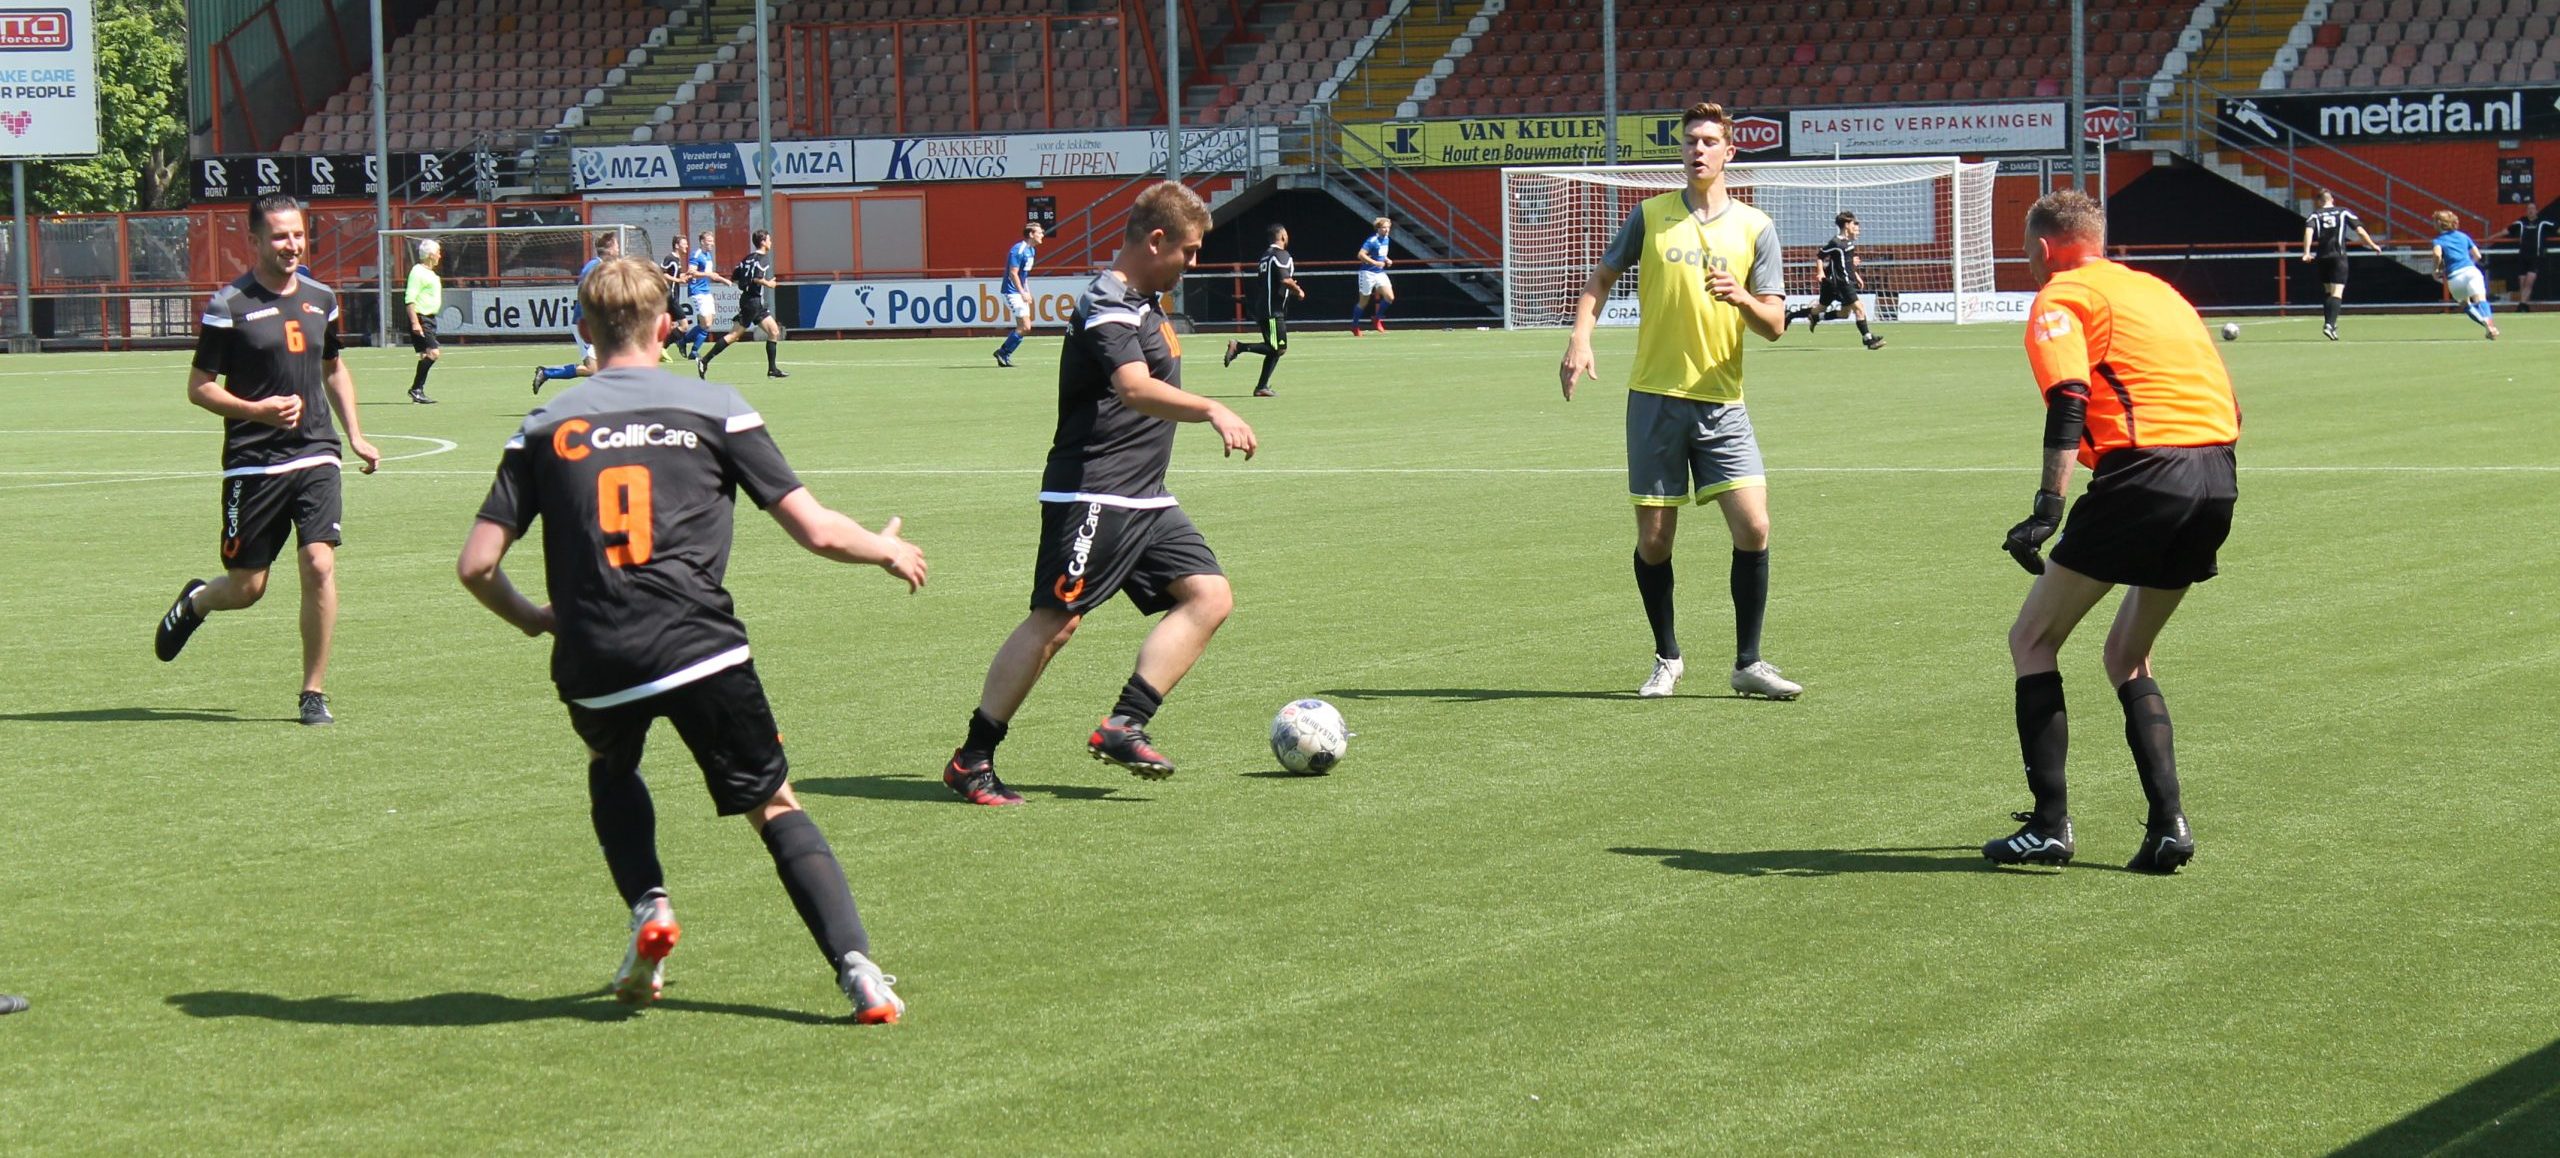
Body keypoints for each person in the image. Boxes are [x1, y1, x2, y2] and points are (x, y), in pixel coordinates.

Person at [456, 256, 925, 1022]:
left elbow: (477, 566)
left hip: (596, 652)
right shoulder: (716, 407)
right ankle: (860, 971)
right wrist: (883, 548)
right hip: (699, 643)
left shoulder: (544, 427)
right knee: (773, 803)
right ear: (668, 330)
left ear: (581, 331)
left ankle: (649, 907)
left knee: (612, 764)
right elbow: (812, 529)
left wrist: (535, 618)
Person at [940, 182, 1257, 806]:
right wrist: (1213, 408)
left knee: (1209, 595)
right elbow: (1135, 388)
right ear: (1156, 240)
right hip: (1095, 493)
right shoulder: (1107, 303)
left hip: (1145, 498)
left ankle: (1124, 723)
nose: (1193, 264)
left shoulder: (1145, 301)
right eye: (1189, 252)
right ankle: (972, 759)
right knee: (1056, 623)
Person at [1986, 189, 2240, 873]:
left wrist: (2048, 504)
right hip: (2217, 474)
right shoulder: (2156, 292)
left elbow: (2069, 395)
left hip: (2145, 474)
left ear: (2044, 248)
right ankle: (2168, 826)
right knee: (2128, 656)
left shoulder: (2062, 295)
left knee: (2032, 639)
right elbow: (2225, 395)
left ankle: (2048, 826)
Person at [1557, 101, 1802, 703]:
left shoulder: (1755, 227)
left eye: (1710, 141)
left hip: (1723, 402)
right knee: (1655, 541)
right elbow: (1600, 280)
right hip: (1655, 400)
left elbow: (1776, 323)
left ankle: (1749, 662)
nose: (1698, 150)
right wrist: (1580, 338)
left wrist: (1743, 298)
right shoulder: (1649, 217)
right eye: (1691, 140)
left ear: (1729, 153)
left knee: (1755, 525)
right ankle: (1667, 658)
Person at [153, 194, 383, 727]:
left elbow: (334, 368)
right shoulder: (228, 304)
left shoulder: (322, 297)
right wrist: (255, 409)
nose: (292, 244)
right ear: (254, 241)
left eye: (298, 234)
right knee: (247, 588)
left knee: (319, 562)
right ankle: (197, 602)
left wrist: (355, 435)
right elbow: (199, 388)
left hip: (315, 452)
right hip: (253, 462)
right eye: (280, 236)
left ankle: (313, 691)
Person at [532, 231, 623, 392]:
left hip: (597, 324)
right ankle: (547, 373)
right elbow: (585, 291)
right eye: (616, 245)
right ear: (609, 249)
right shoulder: (593, 267)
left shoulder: (603, 267)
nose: (619, 249)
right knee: (594, 369)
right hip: (586, 324)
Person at [1224, 222, 1303, 397]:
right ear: (1282, 236)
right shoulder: (1281, 255)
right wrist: (1298, 290)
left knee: (1274, 348)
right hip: (1273, 311)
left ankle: (1262, 386)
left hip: (1264, 308)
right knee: (1279, 348)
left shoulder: (1265, 256)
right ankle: (1239, 347)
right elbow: (1285, 280)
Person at [1786, 211, 1885, 349]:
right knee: (1859, 308)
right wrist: (1820, 272)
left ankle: (1795, 315)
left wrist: (1856, 276)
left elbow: (1846, 263)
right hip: (1841, 283)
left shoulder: (1848, 242)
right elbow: (1820, 256)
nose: (1855, 226)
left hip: (1847, 280)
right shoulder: (1836, 242)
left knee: (1839, 313)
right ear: (1846, 225)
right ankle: (1868, 339)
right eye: (1853, 224)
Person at [697, 229, 787, 379]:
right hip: (751, 302)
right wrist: (768, 284)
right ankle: (704, 361)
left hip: (752, 301)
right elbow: (757, 278)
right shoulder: (763, 259)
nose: (771, 242)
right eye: (769, 240)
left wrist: (745, 286)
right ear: (763, 242)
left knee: (774, 331)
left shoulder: (748, 258)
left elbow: (735, 276)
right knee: (734, 335)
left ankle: (772, 369)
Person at [2301, 189, 2383, 341]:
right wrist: (2372, 245)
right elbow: (2360, 231)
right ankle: (2330, 325)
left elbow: (2308, 231)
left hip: (2322, 257)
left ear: (2318, 202)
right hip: (2338, 257)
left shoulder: (2315, 215)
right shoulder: (2343, 212)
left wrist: (2306, 252)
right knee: (2337, 292)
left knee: (2327, 291)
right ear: (2332, 199)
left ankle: (2329, 323)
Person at [2429, 209, 2499, 340]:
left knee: (2465, 305)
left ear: (2439, 223)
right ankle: (2490, 326)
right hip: (2471, 272)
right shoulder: (2463, 236)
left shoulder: (2438, 240)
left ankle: (2486, 326)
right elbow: (2477, 255)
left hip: (2454, 278)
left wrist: (2435, 270)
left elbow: (2437, 254)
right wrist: (2469, 264)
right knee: (2480, 300)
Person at [993, 221, 1044, 368]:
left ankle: (1004, 353)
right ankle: (1003, 352)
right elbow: (1013, 273)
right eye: (1039, 232)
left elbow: (1023, 275)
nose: (1042, 235)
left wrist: (1027, 291)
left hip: (1019, 291)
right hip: (1011, 292)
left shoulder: (1031, 251)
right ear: (1031, 234)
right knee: (1025, 326)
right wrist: (1022, 293)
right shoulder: (1018, 250)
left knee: (1025, 327)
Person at [683, 231, 734, 358]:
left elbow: (711, 274)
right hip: (696, 291)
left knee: (707, 324)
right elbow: (691, 272)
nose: (712, 243)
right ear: (702, 241)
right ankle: (687, 345)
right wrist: (708, 275)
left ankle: (691, 349)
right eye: (709, 241)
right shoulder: (696, 254)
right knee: (705, 323)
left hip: (706, 291)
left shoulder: (708, 256)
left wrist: (724, 280)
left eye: (712, 241)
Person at [403, 239, 442, 404]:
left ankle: (418, 391)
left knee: (425, 354)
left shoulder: (430, 273)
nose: (440, 255)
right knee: (434, 353)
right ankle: (416, 389)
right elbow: (409, 298)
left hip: (429, 318)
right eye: (438, 252)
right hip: (421, 318)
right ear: (431, 255)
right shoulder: (417, 272)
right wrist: (415, 322)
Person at [1350, 217, 1394, 335]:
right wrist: (1375, 263)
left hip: (1379, 273)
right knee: (1363, 302)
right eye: (1384, 227)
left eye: (1388, 227)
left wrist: (1387, 259)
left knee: (1390, 297)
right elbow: (1360, 255)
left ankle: (1377, 318)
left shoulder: (1386, 240)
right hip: (1367, 273)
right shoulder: (1372, 240)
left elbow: (1381, 254)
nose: (1386, 230)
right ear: (1378, 228)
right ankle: (1355, 326)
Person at [2505, 208, 2552, 312]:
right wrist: (2490, 237)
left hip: (2536, 256)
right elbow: (2506, 230)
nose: (2530, 211)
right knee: (2522, 282)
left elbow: (2556, 228)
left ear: (2536, 211)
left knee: (2529, 282)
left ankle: (2521, 305)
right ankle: (2524, 305)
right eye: (2528, 209)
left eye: (2533, 209)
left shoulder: (2542, 222)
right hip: (2523, 257)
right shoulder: (2522, 222)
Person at [658, 233, 695, 361]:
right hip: (670, 296)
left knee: (670, 326)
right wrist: (678, 280)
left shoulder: (677, 259)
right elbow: (663, 274)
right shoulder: (670, 258)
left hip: (672, 296)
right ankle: (662, 348)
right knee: (684, 326)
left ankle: (659, 350)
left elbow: (673, 275)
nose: (687, 246)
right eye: (684, 244)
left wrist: (684, 276)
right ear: (676, 245)